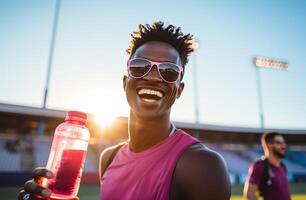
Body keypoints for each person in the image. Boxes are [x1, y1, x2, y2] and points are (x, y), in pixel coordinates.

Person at [18, 21, 231, 200]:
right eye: (140, 67)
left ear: (179, 90)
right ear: (124, 82)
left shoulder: (202, 165)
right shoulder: (108, 158)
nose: (153, 77)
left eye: (168, 71)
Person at [243, 132, 291, 200]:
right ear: (269, 145)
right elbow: (249, 193)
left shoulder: (282, 166)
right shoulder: (259, 166)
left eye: (283, 143)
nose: (283, 146)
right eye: (279, 143)